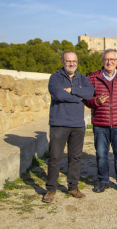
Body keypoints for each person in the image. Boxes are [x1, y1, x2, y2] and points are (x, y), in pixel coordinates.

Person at [43, 51, 95, 203]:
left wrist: (72, 90)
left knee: (75, 157)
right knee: (54, 157)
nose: (71, 64)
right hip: (59, 124)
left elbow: (90, 92)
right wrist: (78, 97)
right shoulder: (55, 78)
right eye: (68, 61)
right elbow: (58, 95)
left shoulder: (82, 78)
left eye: (74, 61)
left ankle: (73, 187)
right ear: (62, 62)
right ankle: (51, 189)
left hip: (77, 125)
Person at [85, 49, 117, 194]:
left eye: (112, 59)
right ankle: (103, 181)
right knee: (101, 154)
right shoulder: (93, 78)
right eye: (107, 59)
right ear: (102, 61)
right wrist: (95, 101)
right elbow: (86, 100)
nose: (109, 62)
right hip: (100, 124)